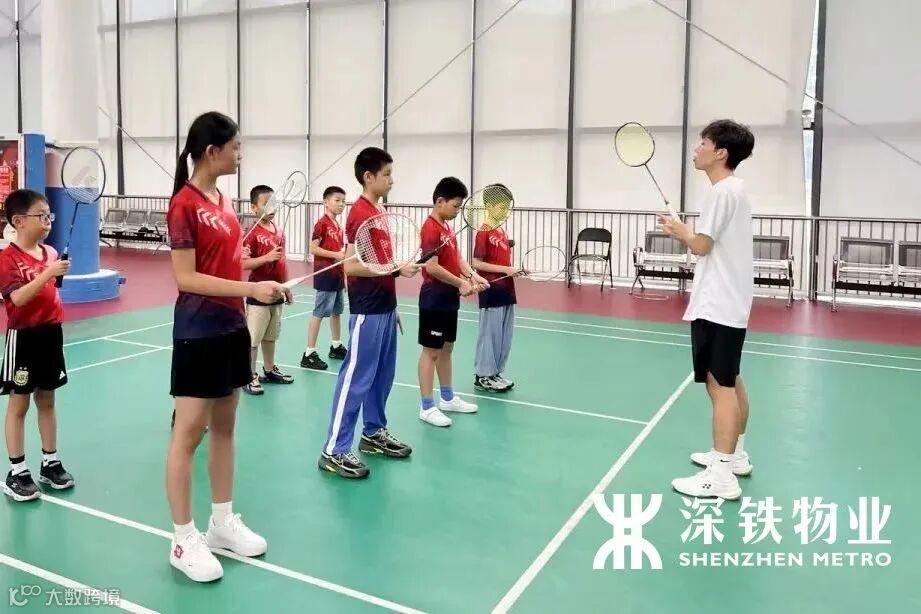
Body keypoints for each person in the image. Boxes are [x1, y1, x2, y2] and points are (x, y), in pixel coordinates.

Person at [166, 111, 291, 582]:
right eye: (236, 147)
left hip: (231, 327)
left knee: (225, 428)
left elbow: (231, 264)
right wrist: (250, 290)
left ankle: (221, 523)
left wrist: (270, 286)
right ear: (212, 151)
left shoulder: (225, 201)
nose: (241, 155)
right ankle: (183, 538)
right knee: (188, 433)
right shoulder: (184, 204)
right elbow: (186, 278)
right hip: (197, 330)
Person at [658, 119, 755, 500]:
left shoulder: (721, 192)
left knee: (720, 385)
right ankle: (735, 456)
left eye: (703, 143)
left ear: (721, 153)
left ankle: (721, 476)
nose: (696, 149)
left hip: (719, 301)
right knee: (731, 378)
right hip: (730, 299)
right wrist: (686, 231)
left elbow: (701, 246)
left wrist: (680, 231)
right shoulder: (735, 190)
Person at [318, 147, 420, 479]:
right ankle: (334, 449)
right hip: (367, 309)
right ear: (368, 177)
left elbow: (379, 261)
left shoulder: (379, 210)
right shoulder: (359, 213)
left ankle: (373, 432)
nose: (392, 180)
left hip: (385, 307)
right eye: (387, 174)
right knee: (356, 378)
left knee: (382, 376)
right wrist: (396, 269)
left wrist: (394, 305)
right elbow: (351, 266)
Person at [0, 189, 73, 501]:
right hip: (24, 339)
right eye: (40, 215)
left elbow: (52, 289)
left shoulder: (51, 253)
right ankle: (17, 471)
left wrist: (56, 272)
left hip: (51, 335)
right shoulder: (7, 259)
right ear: (19, 221)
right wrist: (48, 274)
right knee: (19, 404)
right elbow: (17, 298)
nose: (47, 220)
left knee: (47, 400)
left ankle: (50, 462)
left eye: (48, 214)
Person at [417, 177, 486, 427]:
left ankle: (447, 398)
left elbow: (456, 257)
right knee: (431, 351)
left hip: (448, 298)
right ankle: (426, 406)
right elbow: (432, 267)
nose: (458, 211)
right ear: (440, 202)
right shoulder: (430, 228)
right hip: (434, 298)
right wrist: (460, 283)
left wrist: (472, 275)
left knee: (447, 349)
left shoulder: (446, 227)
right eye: (456, 206)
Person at [241, 184, 294, 394]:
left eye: (274, 203)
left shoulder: (279, 232)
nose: (271, 207)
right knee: (254, 339)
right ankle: (249, 375)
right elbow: (243, 263)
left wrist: (287, 287)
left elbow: (283, 262)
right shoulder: (251, 233)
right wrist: (266, 258)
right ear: (254, 207)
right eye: (266, 204)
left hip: (276, 294)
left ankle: (269, 370)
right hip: (258, 294)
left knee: (271, 336)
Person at [300, 186, 347, 370]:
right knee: (319, 313)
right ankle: (309, 353)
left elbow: (340, 253)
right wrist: (336, 255)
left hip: (337, 276)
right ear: (326, 202)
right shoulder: (322, 223)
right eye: (337, 200)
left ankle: (336, 346)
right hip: (325, 274)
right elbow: (313, 248)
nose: (341, 204)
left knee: (336, 312)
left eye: (343, 201)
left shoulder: (338, 226)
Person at [471, 214, 519, 393]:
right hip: (491, 288)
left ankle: (495, 373)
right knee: (489, 335)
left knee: (504, 335)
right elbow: (476, 263)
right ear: (490, 205)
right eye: (500, 205)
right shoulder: (484, 230)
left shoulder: (502, 231)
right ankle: (483, 376)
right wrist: (506, 269)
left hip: (507, 289)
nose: (505, 210)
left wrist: (513, 271)